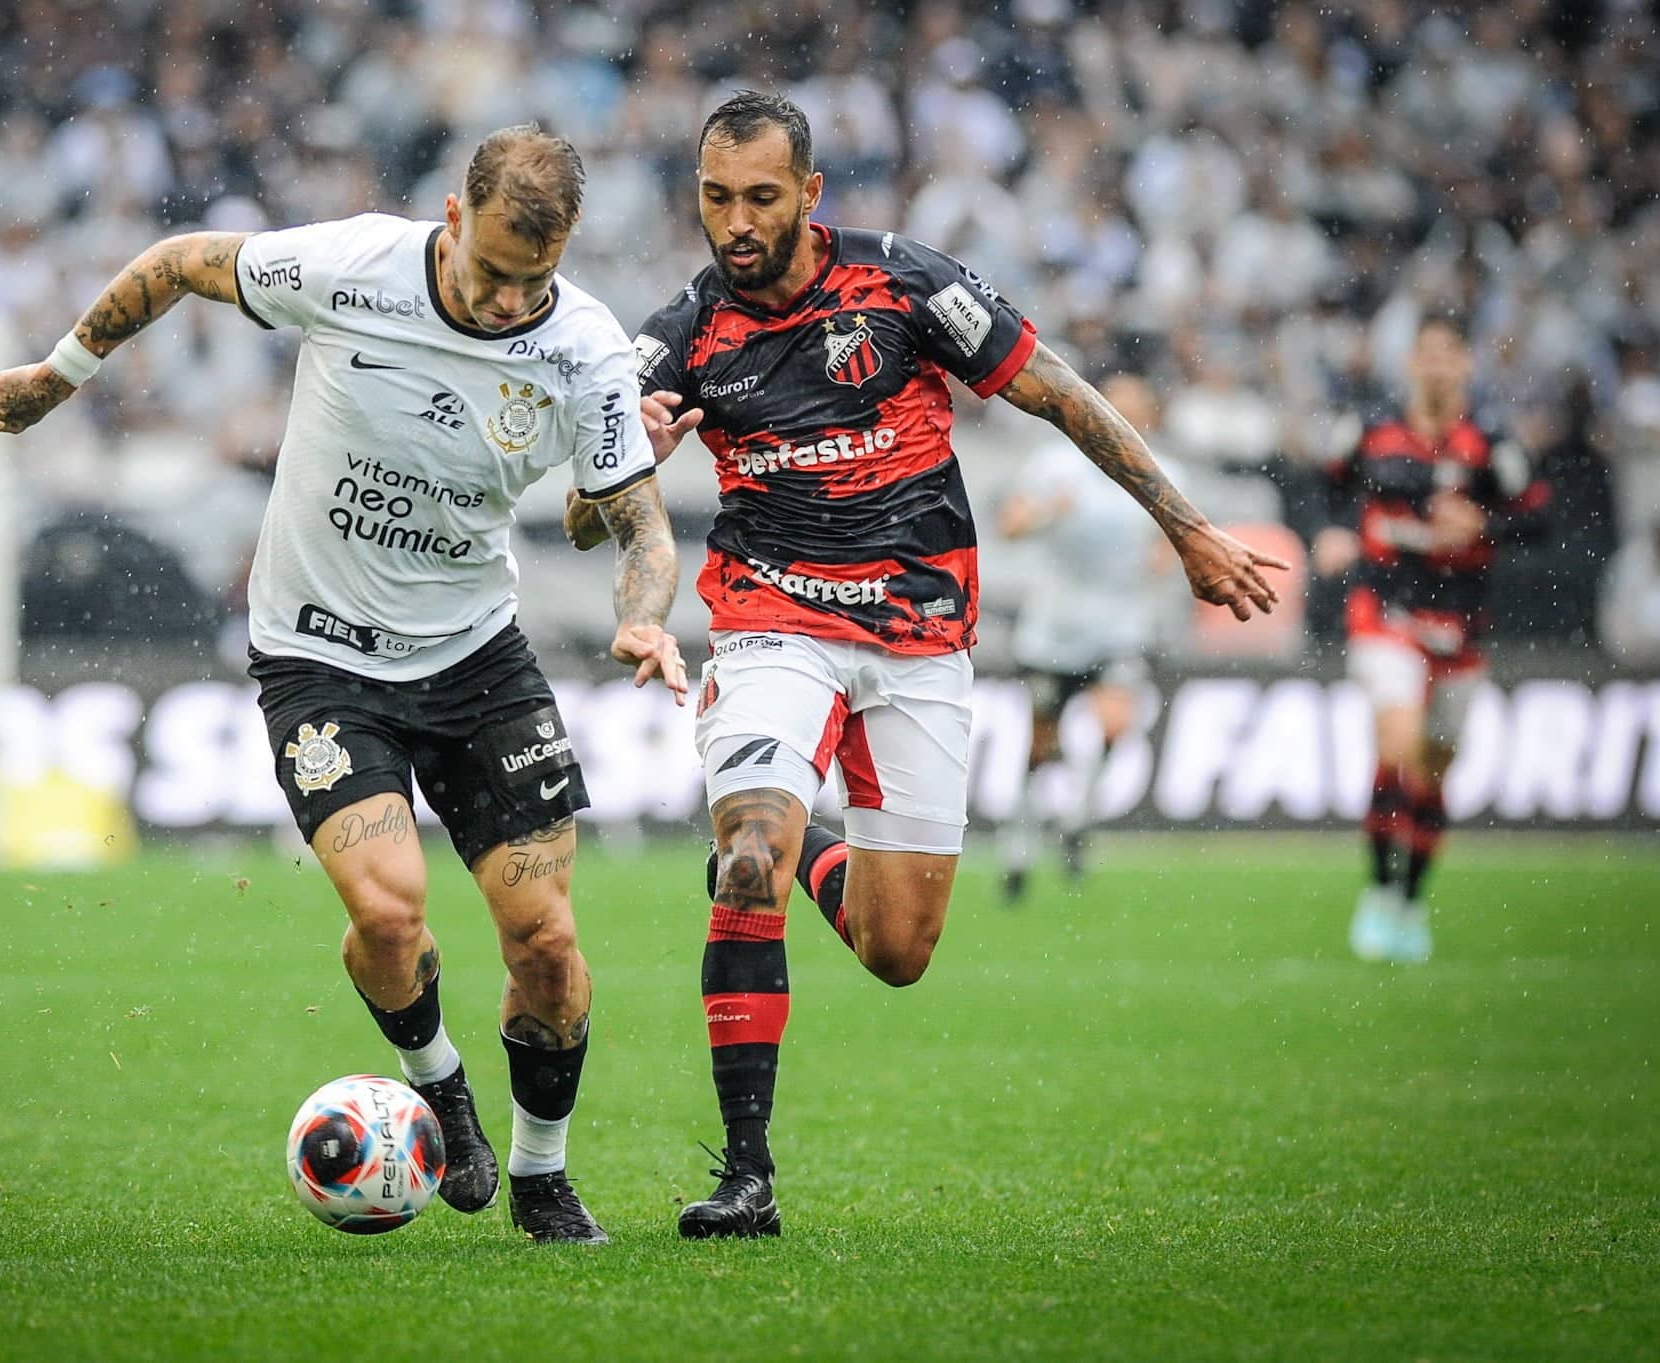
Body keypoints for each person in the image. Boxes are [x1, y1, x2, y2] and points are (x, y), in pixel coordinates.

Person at [0, 125, 686, 1244]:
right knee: (388, 912)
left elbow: (631, 524)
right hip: (318, 654)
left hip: (477, 656)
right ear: (449, 216)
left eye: (526, 278)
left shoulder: (582, 348)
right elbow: (181, 261)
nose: (499, 300)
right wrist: (59, 377)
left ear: (565, 247)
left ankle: (541, 1175)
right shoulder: (352, 267)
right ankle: (438, 1086)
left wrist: (641, 619)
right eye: (486, 269)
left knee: (544, 946)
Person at [570, 92, 1285, 1239]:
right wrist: (630, 458)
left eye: (760, 197)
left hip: (918, 630)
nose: (735, 222)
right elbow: (580, 505)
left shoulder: (905, 286)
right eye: (715, 199)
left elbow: (1057, 393)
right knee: (744, 853)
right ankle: (745, 1176)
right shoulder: (680, 334)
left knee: (895, 952)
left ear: (810, 194)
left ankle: (811, 850)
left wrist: (1184, 526)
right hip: (770, 618)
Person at [1313, 311, 1547, 964]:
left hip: (1461, 620)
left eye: (1451, 354)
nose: (1439, 366)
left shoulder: (1491, 440)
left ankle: (1411, 899)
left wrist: (1485, 525)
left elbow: (1541, 515)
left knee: (1436, 768)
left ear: (1466, 365)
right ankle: (1379, 890)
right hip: (1386, 606)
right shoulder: (1371, 426)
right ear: (1411, 362)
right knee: (1398, 738)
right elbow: (1331, 482)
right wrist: (1333, 529)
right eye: (1428, 354)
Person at [994, 373, 1179, 902]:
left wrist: (1162, 561)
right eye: (1113, 406)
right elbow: (1009, 527)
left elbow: (1169, 546)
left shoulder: (1161, 470)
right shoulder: (1056, 466)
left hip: (1119, 626)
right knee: (1040, 746)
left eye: (1133, 407)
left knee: (1118, 723)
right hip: (1053, 628)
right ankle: (1019, 848)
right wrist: (1051, 513)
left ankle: (1077, 820)